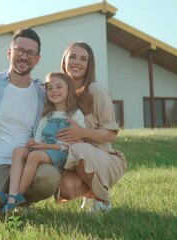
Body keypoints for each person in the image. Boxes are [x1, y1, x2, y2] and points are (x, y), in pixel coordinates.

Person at [0, 27, 62, 218]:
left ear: (37, 59)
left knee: (50, 178)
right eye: (19, 50)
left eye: (30, 53)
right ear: (9, 53)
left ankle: (15, 201)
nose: (24, 57)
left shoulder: (43, 94)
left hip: (26, 164)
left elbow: (68, 106)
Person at [0, 72, 86, 213]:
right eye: (50, 88)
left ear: (69, 90)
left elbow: (75, 146)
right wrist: (33, 143)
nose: (54, 91)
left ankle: (15, 198)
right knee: (18, 151)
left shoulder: (75, 114)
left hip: (62, 153)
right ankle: (12, 195)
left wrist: (46, 147)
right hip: (43, 150)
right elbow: (39, 139)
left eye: (59, 87)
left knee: (34, 156)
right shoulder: (46, 114)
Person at [56, 42, 127, 214]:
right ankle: (90, 196)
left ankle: (102, 201)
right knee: (66, 187)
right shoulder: (59, 92)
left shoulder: (96, 90)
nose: (77, 62)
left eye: (83, 58)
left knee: (79, 149)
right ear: (64, 60)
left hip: (104, 159)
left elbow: (111, 135)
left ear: (89, 65)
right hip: (74, 159)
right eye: (72, 56)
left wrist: (82, 132)